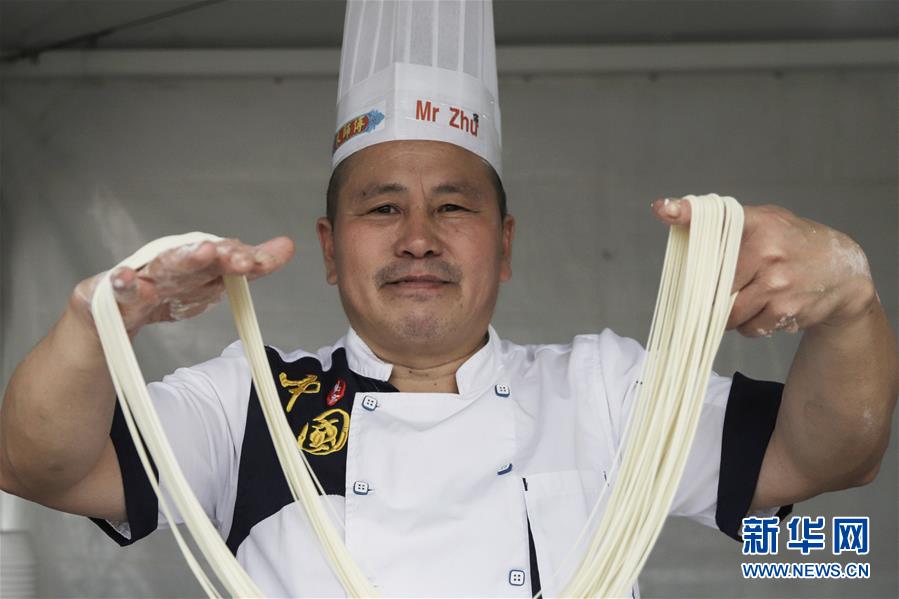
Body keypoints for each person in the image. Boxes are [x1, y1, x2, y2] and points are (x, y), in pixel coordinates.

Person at [2, 1, 897, 597]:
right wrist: (95, 324)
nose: (417, 235)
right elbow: (36, 464)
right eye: (380, 207)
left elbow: (826, 455)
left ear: (504, 245)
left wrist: (849, 300)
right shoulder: (251, 407)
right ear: (328, 247)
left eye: (454, 206)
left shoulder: (604, 390)